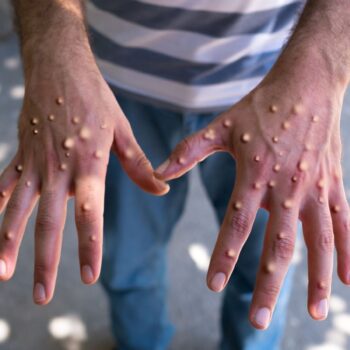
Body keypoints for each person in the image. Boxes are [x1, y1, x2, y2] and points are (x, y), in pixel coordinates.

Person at [0, 0, 349, 349]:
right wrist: (51, 50)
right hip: (106, 85)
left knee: (267, 266)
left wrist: (324, 62)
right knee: (125, 263)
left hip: (275, 85)